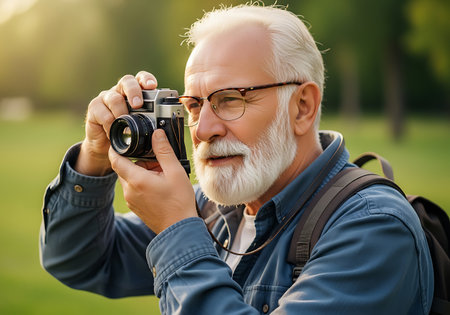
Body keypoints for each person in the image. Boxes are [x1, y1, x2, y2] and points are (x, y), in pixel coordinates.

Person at [39, 4, 434, 314]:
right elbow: (74, 259)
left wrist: (177, 230)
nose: (203, 128)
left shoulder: (373, 227)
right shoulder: (213, 212)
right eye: (193, 105)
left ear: (302, 107)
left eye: (230, 100)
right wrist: (93, 158)